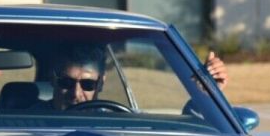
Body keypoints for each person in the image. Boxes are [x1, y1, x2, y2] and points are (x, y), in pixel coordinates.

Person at [50, 46, 229, 109]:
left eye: (88, 84)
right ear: (53, 80)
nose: (75, 93)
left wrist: (207, 95)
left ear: (101, 83)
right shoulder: (26, 123)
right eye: (66, 82)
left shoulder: (118, 124)